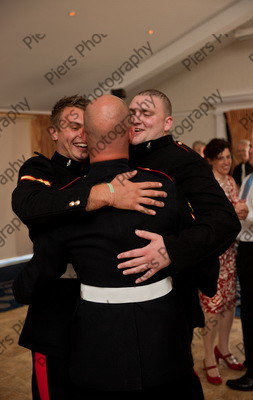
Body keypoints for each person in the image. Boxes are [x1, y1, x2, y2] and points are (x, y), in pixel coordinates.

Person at [13, 94, 205, 399]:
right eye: (70, 126)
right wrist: (103, 194)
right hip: (60, 314)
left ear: (92, 135)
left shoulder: (150, 181)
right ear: (53, 133)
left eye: (82, 127)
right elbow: (30, 206)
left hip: (116, 324)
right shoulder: (44, 171)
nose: (78, 135)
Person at [117, 90, 240, 330]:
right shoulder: (119, 156)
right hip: (121, 290)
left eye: (146, 113)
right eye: (132, 113)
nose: (136, 119)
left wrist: (171, 250)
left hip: (170, 290)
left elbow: (225, 221)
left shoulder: (185, 160)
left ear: (167, 123)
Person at [198, 138, 244, 385]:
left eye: (228, 157)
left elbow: (237, 208)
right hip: (213, 253)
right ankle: (208, 357)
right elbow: (206, 217)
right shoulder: (207, 183)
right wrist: (233, 212)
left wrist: (242, 210)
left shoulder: (230, 181)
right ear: (211, 161)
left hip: (231, 252)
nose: (226, 162)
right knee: (212, 307)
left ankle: (224, 349)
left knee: (227, 304)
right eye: (221, 158)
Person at [226, 132, 253, 392]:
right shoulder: (252, 176)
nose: (249, 150)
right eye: (250, 145)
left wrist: (247, 212)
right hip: (250, 249)